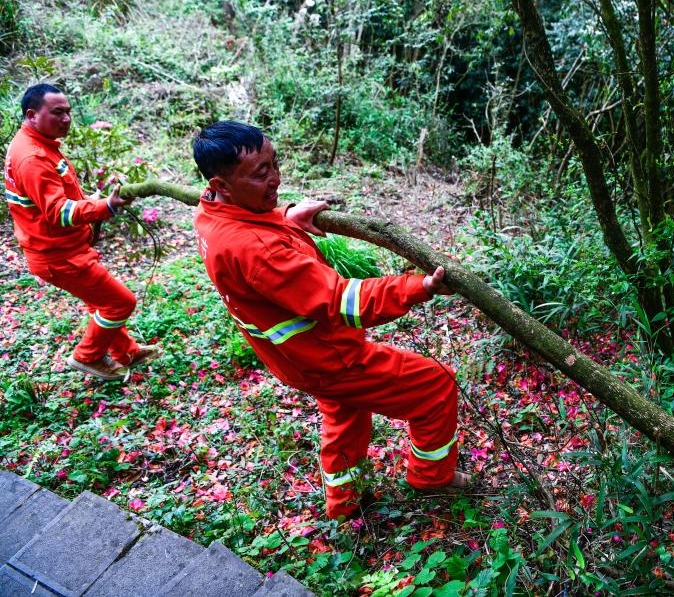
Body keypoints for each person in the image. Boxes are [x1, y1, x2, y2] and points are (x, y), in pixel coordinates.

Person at [191, 120, 468, 519]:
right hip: (329, 357)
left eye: (275, 163)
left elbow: (253, 230)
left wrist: (287, 217)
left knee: (345, 414)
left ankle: (343, 504)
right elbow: (342, 300)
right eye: (260, 173)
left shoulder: (212, 213)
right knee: (435, 385)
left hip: (297, 357)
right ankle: (432, 477)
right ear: (223, 183)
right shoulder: (256, 250)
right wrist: (418, 287)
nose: (275, 179)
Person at [4, 83, 159, 380]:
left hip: (61, 249)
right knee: (120, 301)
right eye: (57, 113)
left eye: (68, 112)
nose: (66, 119)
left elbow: (62, 197)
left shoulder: (37, 145)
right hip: (57, 254)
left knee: (100, 302)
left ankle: (125, 351)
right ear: (32, 114)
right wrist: (105, 207)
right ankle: (87, 356)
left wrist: (96, 202)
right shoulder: (33, 157)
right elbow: (58, 212)